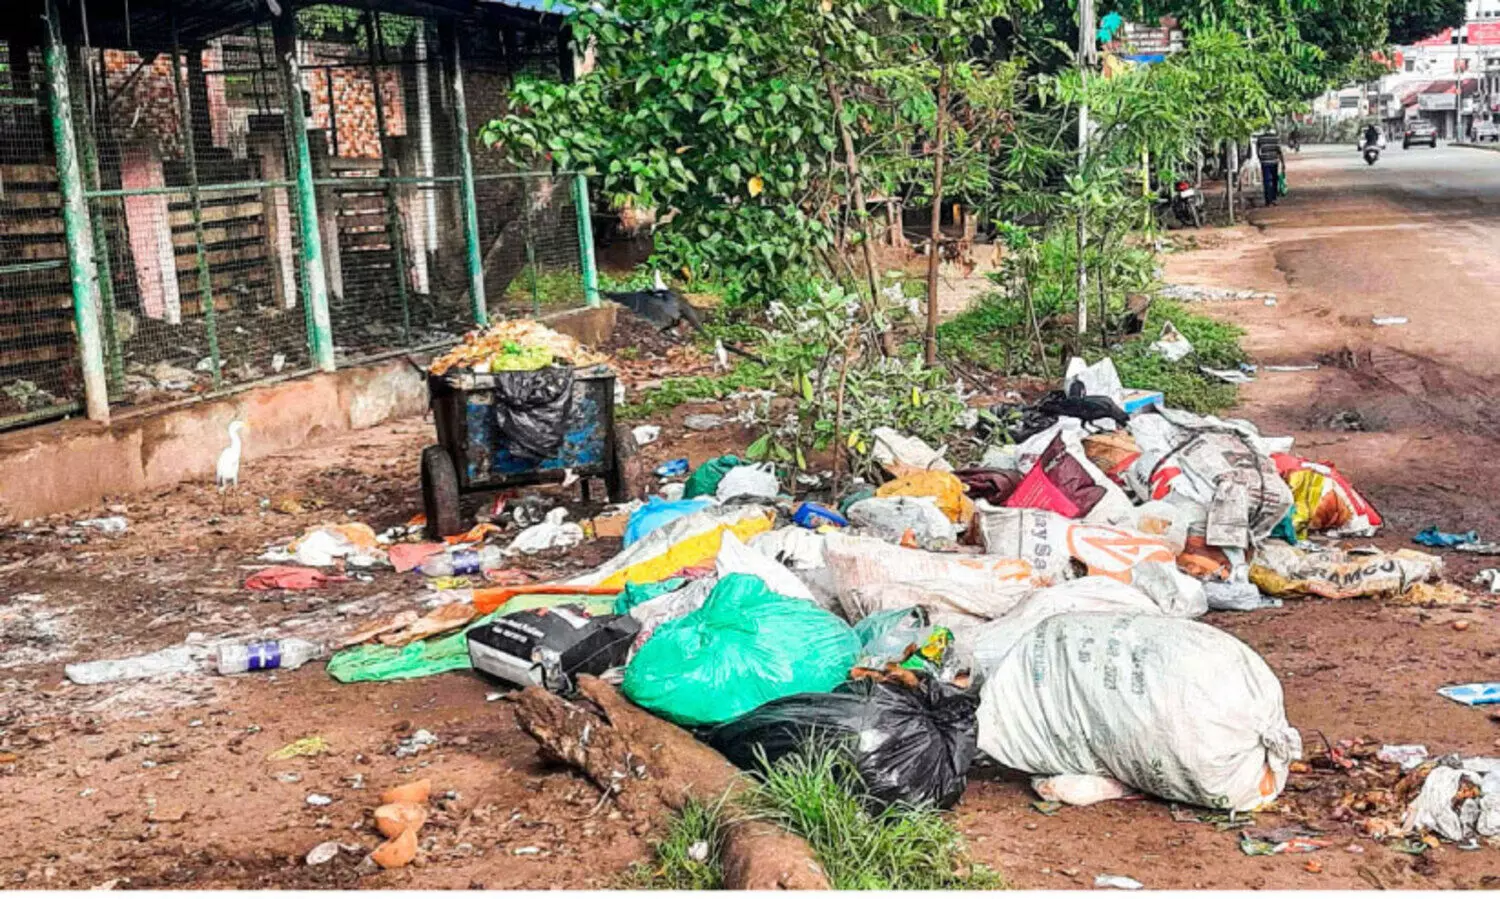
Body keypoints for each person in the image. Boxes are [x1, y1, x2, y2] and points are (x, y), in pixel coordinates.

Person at [1254, 131, 1283, 208]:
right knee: (1274, 180)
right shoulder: (1275, 138)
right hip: (1274, 161)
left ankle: (1268, 200)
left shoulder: (1261, 138)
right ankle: (1273, 198)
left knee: (1266, 181)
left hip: (1265, 162)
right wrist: (1283, 162)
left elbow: (1257, 148)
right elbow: (1279, 151)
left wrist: (1259, 156)